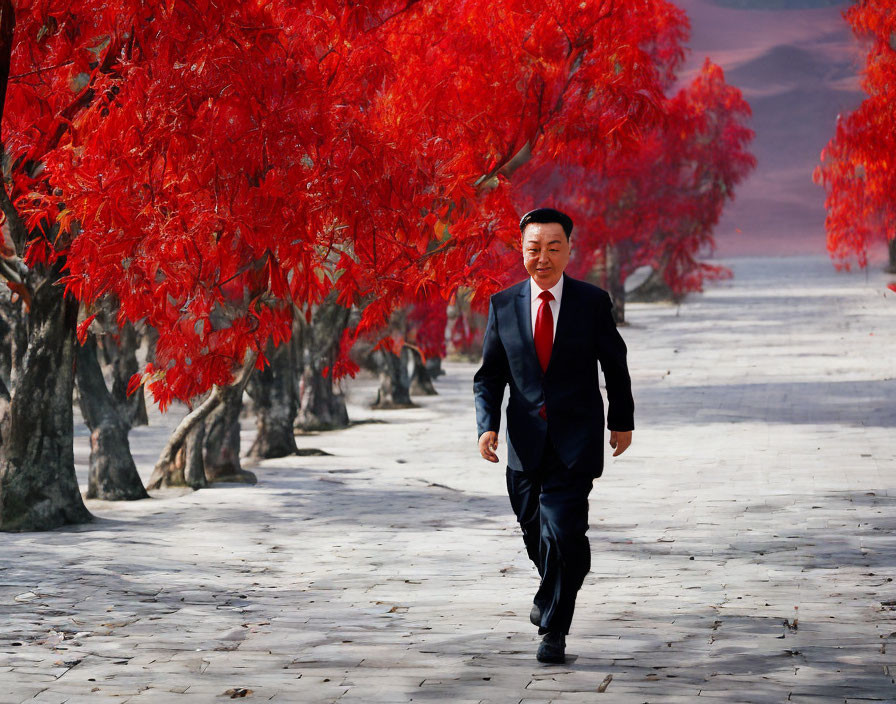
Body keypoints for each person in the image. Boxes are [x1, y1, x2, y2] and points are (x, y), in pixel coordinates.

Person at [473, 207, 634, 664]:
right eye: (533, 248)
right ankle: (554, 588)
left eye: (553, 248)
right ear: (521, 251)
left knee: (562, 532)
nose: (542, 258)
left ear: (568, 250)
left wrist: (620, 420)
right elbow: (489, 376)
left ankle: (554, 631)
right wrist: (487, 426)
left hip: (575, 441)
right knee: (537, 536)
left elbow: (614, 364)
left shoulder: (591, 302)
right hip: (524, 445)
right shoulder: (503, 305)